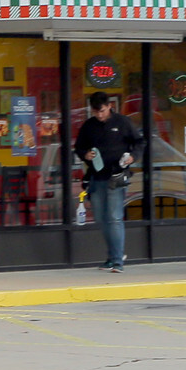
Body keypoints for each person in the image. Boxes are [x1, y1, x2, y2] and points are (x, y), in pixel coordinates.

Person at [73, 92, 142, 272]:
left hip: (116, 176)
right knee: (101, 219)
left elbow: (139, 141)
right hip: (96, 177)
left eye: (102, 111)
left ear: (109, 106)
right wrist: (85, 154)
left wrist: (133, 157)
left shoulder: (122, 122)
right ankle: (112, 257)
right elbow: (79, 147)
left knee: (115, 217)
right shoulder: (89, 125)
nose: (99, 115)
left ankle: (118, 260)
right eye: (95, 112)